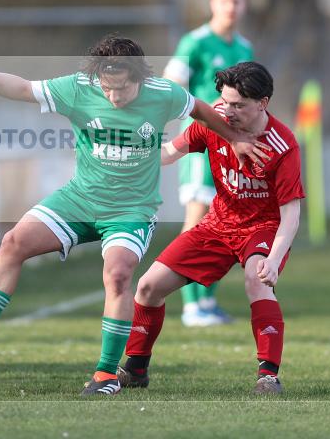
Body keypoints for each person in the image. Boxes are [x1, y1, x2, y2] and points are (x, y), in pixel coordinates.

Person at [0, 34, 270, 396]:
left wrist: (234, 138)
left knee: (118, 273)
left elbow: (202, 110)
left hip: (132, 209)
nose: (113, 96)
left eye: (121, 89)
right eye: (107, 88)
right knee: (13, 241)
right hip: (80, 198)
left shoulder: (163, 93)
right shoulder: (80, 87)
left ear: (139, 79)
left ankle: (106, 374)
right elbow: (23, 89)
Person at [117, 62, 304, 395]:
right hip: (217, 224)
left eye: (238, 105)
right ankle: (135, 368)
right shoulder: (212, 122)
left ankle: (268, 376)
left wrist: (274, 259)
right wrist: (126, 151)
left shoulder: (282, 144)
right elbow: (168, 154)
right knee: (147, 287)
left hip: (263, 226)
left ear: (263, 103)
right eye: (225, 101)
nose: (227, 111)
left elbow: (291, 212)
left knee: (256, 279)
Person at [163, 0, 254, 327]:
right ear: (213, 3)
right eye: (224, 0)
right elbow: (170, 86)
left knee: (223, 224)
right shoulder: (195, 42)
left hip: (232, 148)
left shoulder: (244, 48)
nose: (230, 7)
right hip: (202, 146)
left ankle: (207, 301)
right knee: (196, 220)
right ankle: (190, 305)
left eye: (236, 1)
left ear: (243, 6)